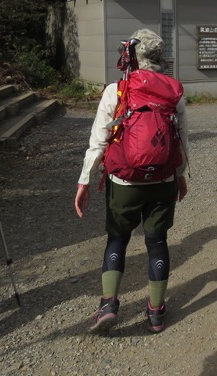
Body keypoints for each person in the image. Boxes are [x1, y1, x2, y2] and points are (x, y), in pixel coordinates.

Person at [75, 29, 189, 336]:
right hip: (163, 178)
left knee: (117, 239)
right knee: (157, 242)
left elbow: (98, 140)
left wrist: (84, 181)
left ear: (131, 56)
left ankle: (109, 304)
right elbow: (181, 140)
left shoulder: (117, 90)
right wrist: (179, 176)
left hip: (124, 180)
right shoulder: (175, 90)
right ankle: (155, 312)